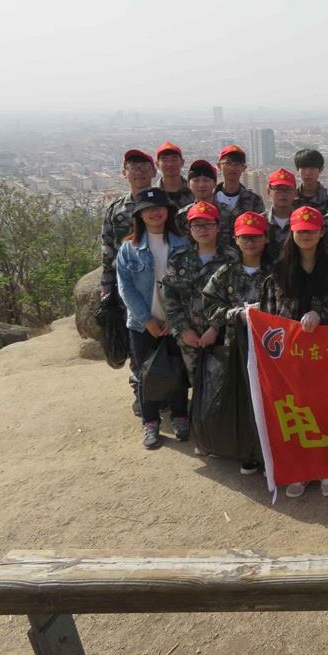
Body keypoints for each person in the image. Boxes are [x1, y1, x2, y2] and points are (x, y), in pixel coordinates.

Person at [260, 206, 328, 499]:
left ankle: (327, 466)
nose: (306, 235)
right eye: (301, 230)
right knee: (295, 409)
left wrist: (321, 313)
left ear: (321, 232)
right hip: (291, 355)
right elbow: (269, 312)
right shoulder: (279, 270)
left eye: (312, 230)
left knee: (324, 408)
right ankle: (300, 468)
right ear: (292, 232)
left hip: (326, 352)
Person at [115, 187, 191, 449]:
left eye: (158, 208)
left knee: (177, 370)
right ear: (140, 215)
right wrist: (147, 319)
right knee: (145, 374)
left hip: (175, 322)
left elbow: (189, 285)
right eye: (147, 209)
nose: (154, 213)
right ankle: (150, 422)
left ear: (167, 211)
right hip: (141, 324)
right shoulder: (129, 248)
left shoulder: (183, 244)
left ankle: (180, 416)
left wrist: (175, 318)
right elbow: (125, 288)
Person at [202, 211, 274, 475]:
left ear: (266, 238)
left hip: (271, 348)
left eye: (255, 237)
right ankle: (250, 451)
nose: (250, 242)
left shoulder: (276, 270)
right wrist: (235, 314)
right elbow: (209, 305)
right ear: (235, 240)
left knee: (271, 400)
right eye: (245, 238)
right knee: (244, 400)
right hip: (238, 347)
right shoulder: (226, 273)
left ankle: (271, 453)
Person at [159, 201, 236, 444]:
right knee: (197, 383)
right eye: (197, 225)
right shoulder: (180, 259)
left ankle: (224, 434)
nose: (203, 230)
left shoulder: (232, 257)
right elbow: (170, 296)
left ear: (218, 227)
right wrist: (183, 329)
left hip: (223, 335)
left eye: (208, 224)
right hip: (189, 336)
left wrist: (215, 327)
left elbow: (236, 297)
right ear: (190, 230)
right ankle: (203, 432)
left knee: (224, 384)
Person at [101, 149, 158, 415]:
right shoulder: (116, 209)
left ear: (154, 172)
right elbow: (107, 249)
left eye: (144, 167)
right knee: (136, 340)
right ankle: (141, 391)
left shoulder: (162, 203)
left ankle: (166, 390)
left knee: (162, 339)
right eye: (133, 167)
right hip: (128, 286)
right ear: (124, 173)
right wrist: (106, 286)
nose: (139, 172)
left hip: (158, 284)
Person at [214, 144, 265, 242]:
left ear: (244, 167)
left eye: (237, 164)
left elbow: (260, 230)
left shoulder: (254, 200)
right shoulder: (211, 199)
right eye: (228, 163)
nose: (232, 168)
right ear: (219, 166)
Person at [175, 160, 219, 238]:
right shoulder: (182, 215)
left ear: (215, 183)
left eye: (206, 180)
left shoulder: (228, 213)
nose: (201, 185)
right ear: (188, 184)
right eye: (196, 180)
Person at [263, 168, 297, 262]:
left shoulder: (302, 222)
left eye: (288, 189)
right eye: (278, 189)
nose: (283, 194)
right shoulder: (260, 222)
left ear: (295, 192)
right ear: (268, 191)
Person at [155, 141, 194, 208]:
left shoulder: (194, 191)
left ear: (182, 162)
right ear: (157, 164)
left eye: (174, 159)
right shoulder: (153, 194)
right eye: (164, 160)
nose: (170, 164)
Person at [293, 148, 328, 213]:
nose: (308, 173)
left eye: (312, 168)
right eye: (303, 168)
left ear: (321, 169)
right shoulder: (292, 197)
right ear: (298, 169)